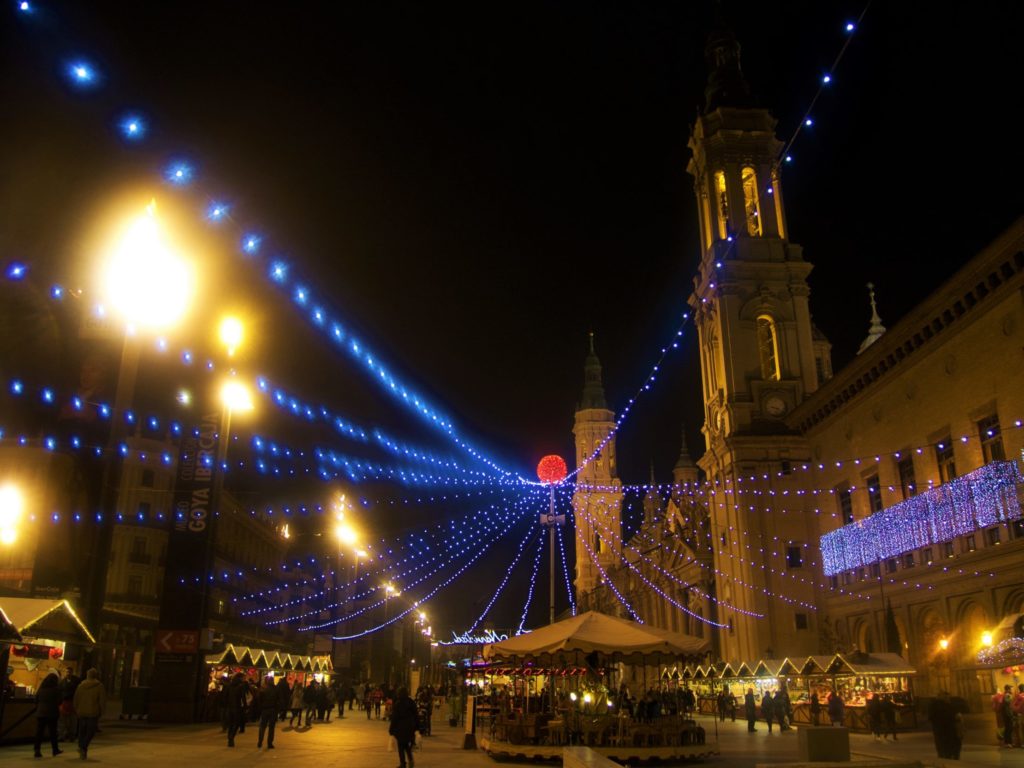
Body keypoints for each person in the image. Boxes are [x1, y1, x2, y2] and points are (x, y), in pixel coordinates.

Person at [73, 668, 105, 760]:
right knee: (90, 731)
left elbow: (76, 699)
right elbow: (102, 700)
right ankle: (83, 747)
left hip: (82, 711)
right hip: (93, 712)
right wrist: (101, 711)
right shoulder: (99, 686)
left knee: (82, 731)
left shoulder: (80, 686)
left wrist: (76, 709)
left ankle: (82, 748)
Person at [34, 672, 63, 758]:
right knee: (53, 732)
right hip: (52, 713)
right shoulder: (56, 690)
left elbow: (36, 700)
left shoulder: (41, 689)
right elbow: (60, 701)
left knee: (39, 732)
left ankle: (37, 750)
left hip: (41, 713)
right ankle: (55, 749)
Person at [389, 687, 419, 768]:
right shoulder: (411, 702)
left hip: (400, 728)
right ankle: (411, 760)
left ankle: (403, 763)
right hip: (410, 727)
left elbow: (394, 718)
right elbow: (416, 715)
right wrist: (417, 727)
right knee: (406, 745)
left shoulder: (398, 704)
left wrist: (391, 729)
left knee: (401, 747)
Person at [928, 690, 960, 759]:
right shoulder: (945, 705)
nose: (947, 698)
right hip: (947, 728)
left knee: (942, 742)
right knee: (947, 742)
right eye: (945, 696)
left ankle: (944, 754)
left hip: (941, 728)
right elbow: (953, 715)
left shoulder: (936, 705)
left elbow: (930, 717)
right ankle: (949, 754)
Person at [225, 672, 247, 747]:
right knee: (236, 723)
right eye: (244, 678)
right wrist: (245, 706)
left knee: (231, 723)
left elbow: (226, 696)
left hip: (229, 706)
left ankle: (229, 737)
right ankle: (231, 737)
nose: (244, 679)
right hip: (237, 707)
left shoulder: (229, 685)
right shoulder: (241, 686)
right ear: (240, 678)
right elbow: (243, 697)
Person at [58, 671, 80, 743]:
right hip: (69, 703)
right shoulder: (76, 682)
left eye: (69, 672)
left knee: (66, 721)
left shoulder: (63, 682)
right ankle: (69, 735)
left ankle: (64, 735)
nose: (68, 674)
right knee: (70, 721)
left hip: (67, 702)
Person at [256, 677, 278, 749]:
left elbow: (259, 699)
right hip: (273, 709)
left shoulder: (263, 689)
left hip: (265, 709)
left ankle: (260, 741)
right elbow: (278, 700)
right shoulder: (275, 689)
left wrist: (261, 707)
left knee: (262, 726)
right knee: (271, 727)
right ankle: (269, 743)